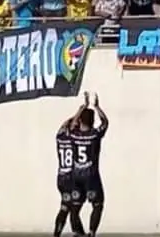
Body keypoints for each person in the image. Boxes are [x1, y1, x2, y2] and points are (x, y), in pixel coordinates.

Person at [68, 92, 109, 237]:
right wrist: (97, 107)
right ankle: (91, 232)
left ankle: (77, 233)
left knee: (74, 207)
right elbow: (105, 122)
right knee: (97, 204)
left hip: (77, 177)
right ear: (92, 122)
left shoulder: (74, 134)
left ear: (80, 121)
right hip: (91, 177)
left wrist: (81, 108)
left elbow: (72, 124)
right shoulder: (94, 135)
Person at [53, 96, 90, 237]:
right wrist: (81, 110)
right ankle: (78, 233)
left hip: (61, 177)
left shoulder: (60, 136)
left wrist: (77, 113)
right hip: (72, 179)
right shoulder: (76, 138)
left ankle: (57, 234)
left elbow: (64, 125)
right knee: (74, 209)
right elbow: (74, 124)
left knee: (64, 207)